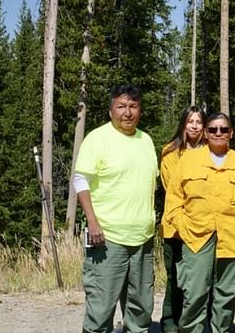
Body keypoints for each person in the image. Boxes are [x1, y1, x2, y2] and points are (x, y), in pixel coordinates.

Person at [74, 84, 159, 333]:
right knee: (101, 308)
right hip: (107, 238)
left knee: (140, 308)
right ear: (111, 110)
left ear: (140, 111)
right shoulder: (97, 139)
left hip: (142, 240)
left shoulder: (146, 140)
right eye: (121, 106)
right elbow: (81, 181)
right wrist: (92, 221)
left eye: (133, 106)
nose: (128, 112)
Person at [163, 112, 235, 333]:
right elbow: (173, 200)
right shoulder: (188, 160)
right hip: (196, 238)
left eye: (223, 129)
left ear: (231, 133)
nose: (218, 133)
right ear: (205, 133)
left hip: (234, 239)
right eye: (213, 129)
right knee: (195, 293)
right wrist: (184, 227)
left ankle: (220, 330)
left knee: (225, 295)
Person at [158, 106, 207, 333]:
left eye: (198, 122)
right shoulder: (170, 153)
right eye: (190, 121)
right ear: (183, 124)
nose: (194, 126)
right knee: (175, 278)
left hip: (204, 230)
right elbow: (173, 188)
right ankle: (170, 321)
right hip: (175, 228)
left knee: (199, 282)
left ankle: (195, 323)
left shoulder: (212, 152)